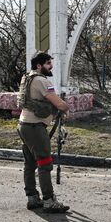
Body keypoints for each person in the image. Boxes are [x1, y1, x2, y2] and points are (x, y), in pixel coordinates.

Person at [17, 51, 70, 213]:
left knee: (30, 163)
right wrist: (65, 107)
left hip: (24, 125)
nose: (51, 66)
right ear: (39, 66)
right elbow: (58, 103)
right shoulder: (41, 81)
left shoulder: (27, 77)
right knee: (45, 163)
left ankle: (32, 198)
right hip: (34, 127)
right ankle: (49, 200)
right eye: (48, 63)